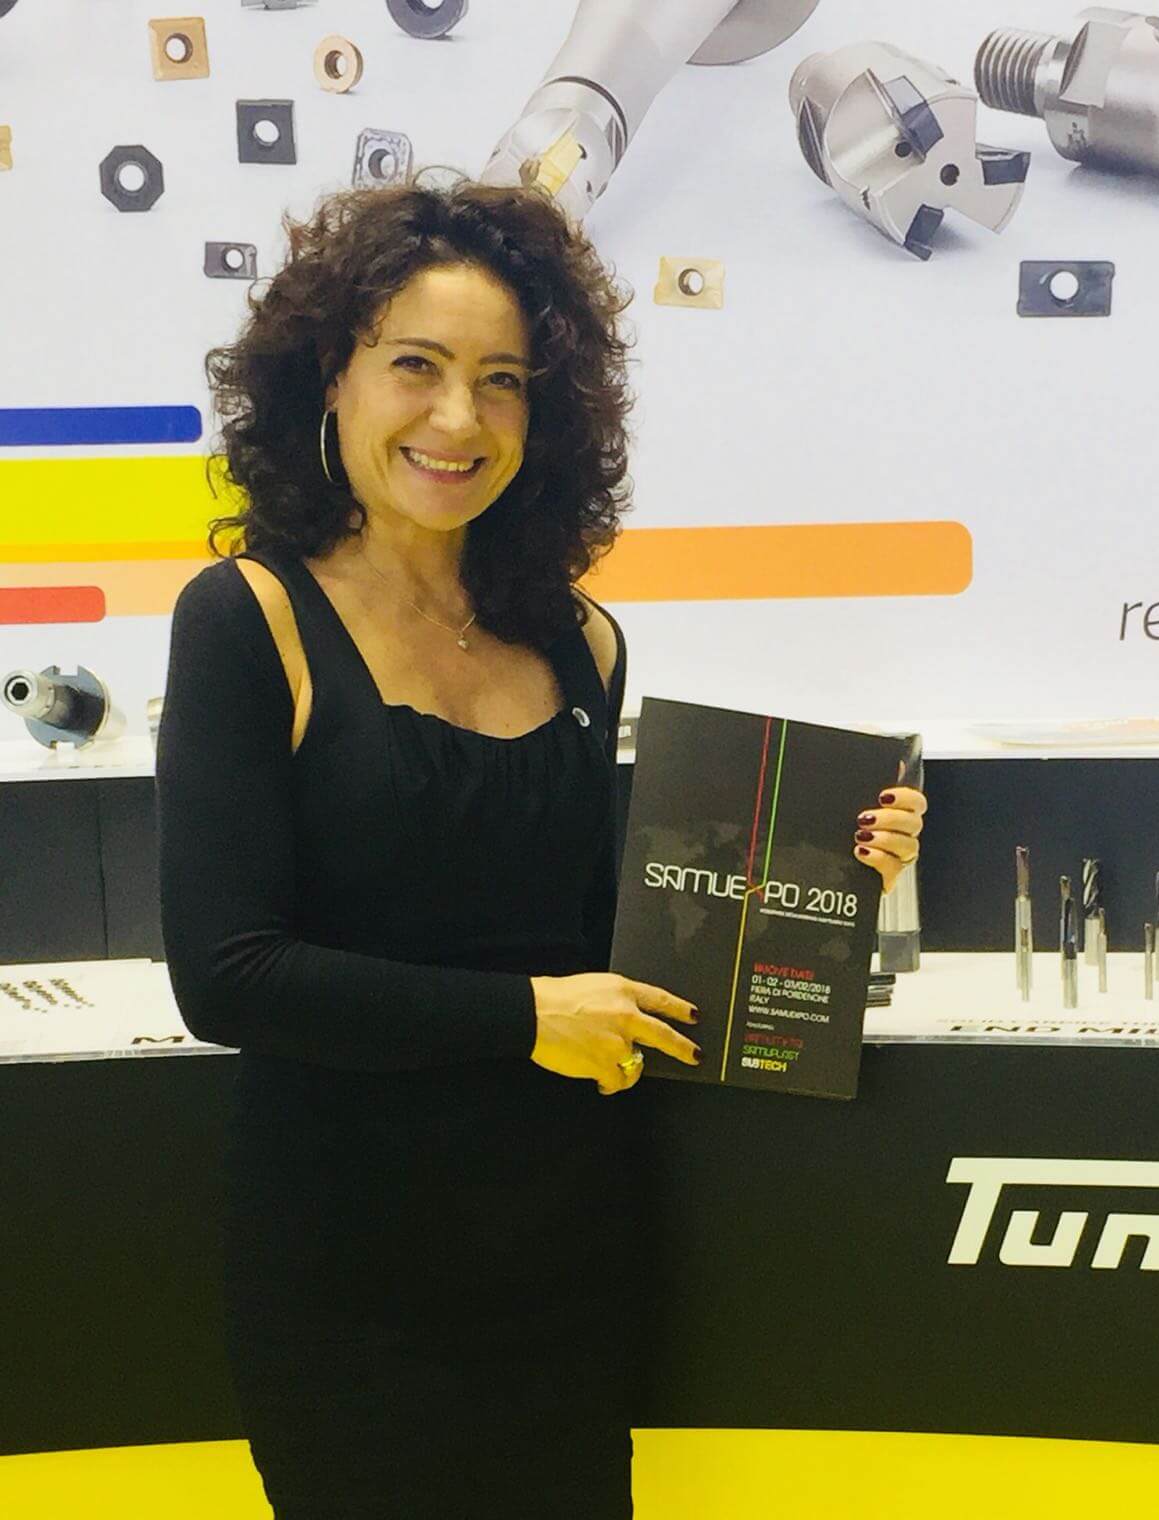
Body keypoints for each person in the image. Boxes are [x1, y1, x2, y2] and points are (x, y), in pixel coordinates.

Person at [155, 173, 926, 1518]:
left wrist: (828, 865)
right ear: (330, 377)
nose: (458, 419)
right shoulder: (248, 619)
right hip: (350, 1276)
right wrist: (525, 1019)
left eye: (502, 381)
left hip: (565, 1252)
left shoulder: (581, 641)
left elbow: (610, 932)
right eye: (417, 365)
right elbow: (228, 977)